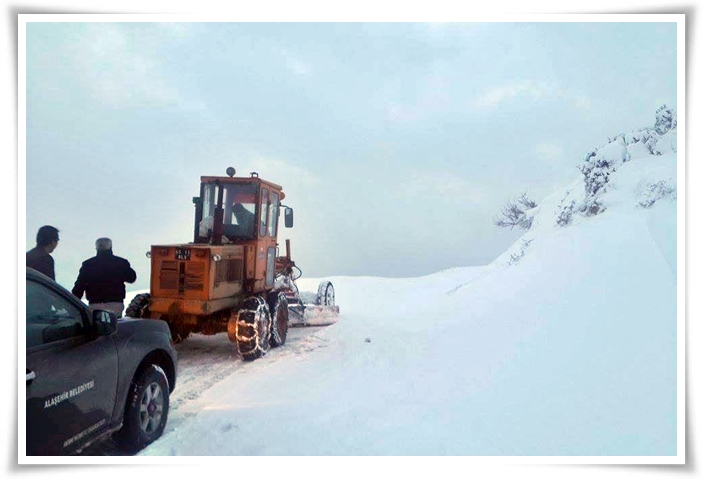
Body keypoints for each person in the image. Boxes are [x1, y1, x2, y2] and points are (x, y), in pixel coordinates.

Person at [71, 237, 137, 318]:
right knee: (115, 326)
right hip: (115, 303)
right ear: (111, 247)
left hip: (95, 304)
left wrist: (71, 301)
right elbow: (132, 278)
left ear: (96, 248)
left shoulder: (88, 264)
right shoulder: (121, 262)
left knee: (97, 328)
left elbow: (79, 286)